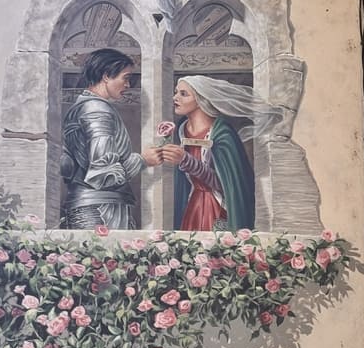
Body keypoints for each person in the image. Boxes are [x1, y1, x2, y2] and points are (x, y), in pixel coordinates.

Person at [161, 75, 283, 231]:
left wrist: (186, 160)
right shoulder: (182, 130)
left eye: (183, 94)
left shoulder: (223, 133)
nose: (174, 97)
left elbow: (225, 184)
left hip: (218, 206)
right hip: (193, 204)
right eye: (176, 92)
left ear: (201, 100)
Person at [60, 48, 162, 229]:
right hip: (99, 210)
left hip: (88, 205)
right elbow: (103, 175)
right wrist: (143, 160)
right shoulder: (97, 110)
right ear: (107, 76)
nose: (128, 85)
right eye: (126, 77)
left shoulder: (81, 107)